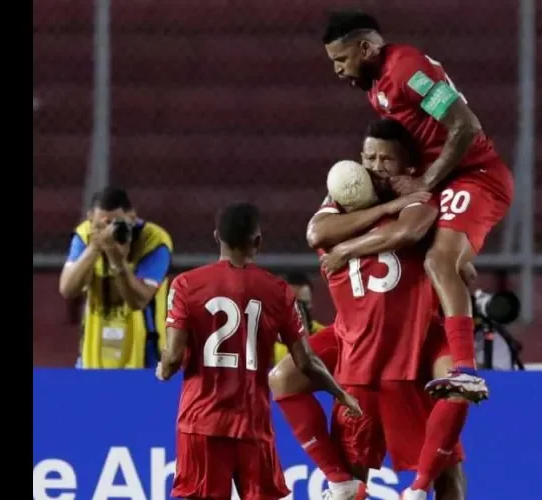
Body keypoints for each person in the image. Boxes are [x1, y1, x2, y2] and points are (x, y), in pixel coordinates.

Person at [321, 10, 515, 400]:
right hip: (445, 179)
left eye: (342, 60)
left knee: (437, 261)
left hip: (476, 175)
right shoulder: (376, 86)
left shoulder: (408, 69)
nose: (339, 70)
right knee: (425, 253)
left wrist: (423, 183)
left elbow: (465, 125)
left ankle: (465, 368)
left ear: (365, 47)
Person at [270, 119, 468, 500]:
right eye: (369, 157)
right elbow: (316, 233)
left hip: (408, 344)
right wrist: (389, 206)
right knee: (285, 380)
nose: (376, 167)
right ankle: (338, 480)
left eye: (386, 160)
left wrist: (347, 248)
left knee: (448, 470)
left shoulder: (423, 197)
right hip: (355, 342)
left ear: (407, 167)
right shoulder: (342, 200)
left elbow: (408, 231)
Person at [156, 202, 362, 500]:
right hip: (253, 423)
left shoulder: (186, 285)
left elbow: (173, 358)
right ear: (257, 241)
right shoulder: (278, 292)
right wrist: (340, 393)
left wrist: (162, 369)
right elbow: (306, 361)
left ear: (217, 237)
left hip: (201, 422)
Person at [59, 186, 173, 369]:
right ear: (90, 218)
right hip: (92, 351)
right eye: (102, 225)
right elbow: (67, 289)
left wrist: (117, 260)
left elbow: (139, 300)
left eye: (116, 224)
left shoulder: (154, 240)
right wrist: (94, 248)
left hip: (146, 353)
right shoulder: (85, 235)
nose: (108, 232)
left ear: (132, 217)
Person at [272, 273, 325, 365]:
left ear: (311, 304)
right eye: (293, 304)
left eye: (304, 304)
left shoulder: (324, 335)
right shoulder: (270, 338)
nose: (299, 310)